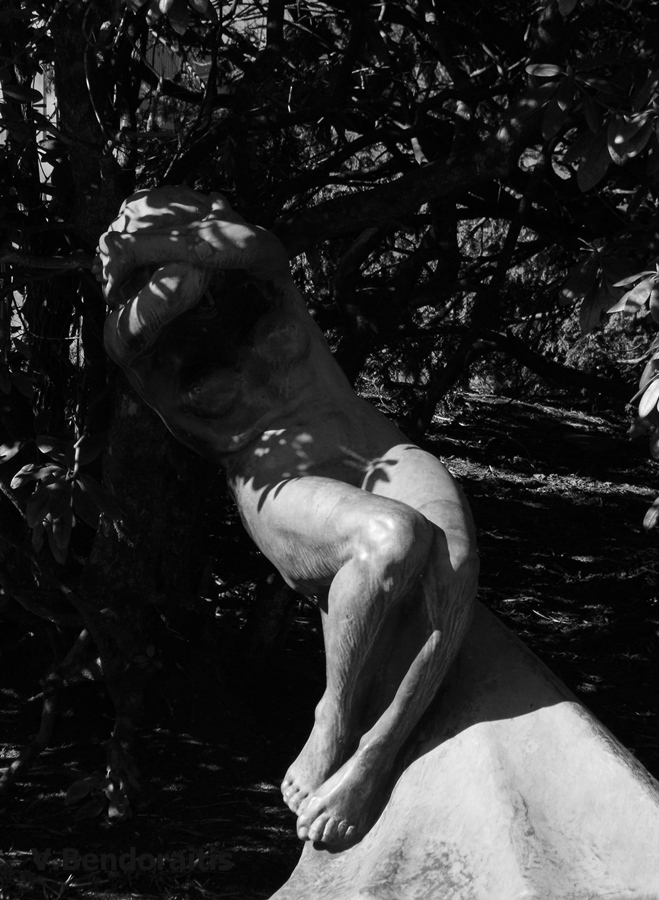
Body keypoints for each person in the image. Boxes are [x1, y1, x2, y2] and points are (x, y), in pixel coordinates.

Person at [95, 186, 479, 847]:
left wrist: (150, 241)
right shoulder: (130, 333)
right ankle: (333, 718)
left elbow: (251, 246)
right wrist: (137, 254)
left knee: (456, 563)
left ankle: (375, 756)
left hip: (372, 444)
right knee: (390, 541)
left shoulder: (256, 273)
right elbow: (178, 287)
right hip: (277, 479)